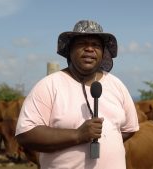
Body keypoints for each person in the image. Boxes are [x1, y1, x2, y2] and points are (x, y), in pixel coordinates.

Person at [15, 20, 139, 169]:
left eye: (96, 45)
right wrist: (78, 136)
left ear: (103, 53)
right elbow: (26, 135)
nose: (89, 49)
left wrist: (108, 142)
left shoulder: (117, 85)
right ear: (70, 50)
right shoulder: (49, 85)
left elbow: (129, 129)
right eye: (82, 44)